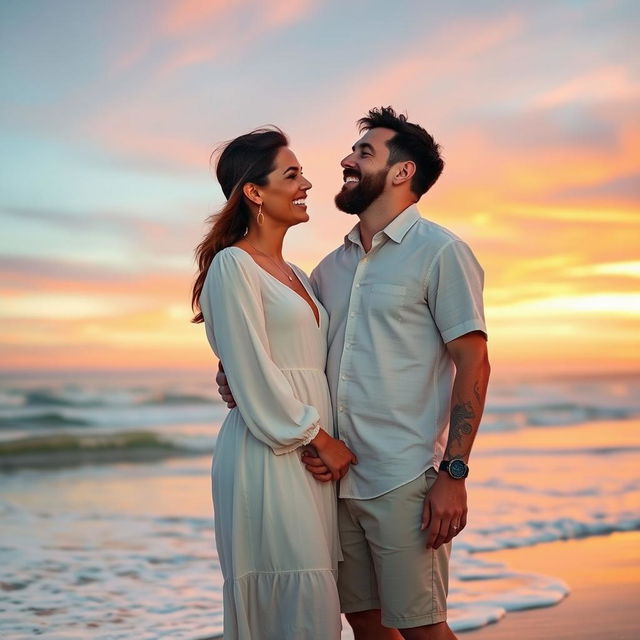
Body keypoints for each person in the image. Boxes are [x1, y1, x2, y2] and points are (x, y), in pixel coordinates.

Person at [218, 107, 490, 640]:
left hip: (404, 475)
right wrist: (233, 374)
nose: (346, 159)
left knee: (423, 627)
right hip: (334, 480)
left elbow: (473, 362)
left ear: (401, 172)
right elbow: (283, 346)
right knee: (365, 623)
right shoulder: (326, 269)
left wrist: (453, 473)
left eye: (364, 152)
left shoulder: (442, 253)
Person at [191, 127, 357, 640]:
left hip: (308, 455)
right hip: (269, 454)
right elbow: (253, 372)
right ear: (254, 192)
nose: (306, 183)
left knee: (313, 600)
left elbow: (297, 364)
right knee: (292, 595)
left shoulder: (300, 276)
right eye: (292, 174)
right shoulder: (232, 265)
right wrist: (319, 438)